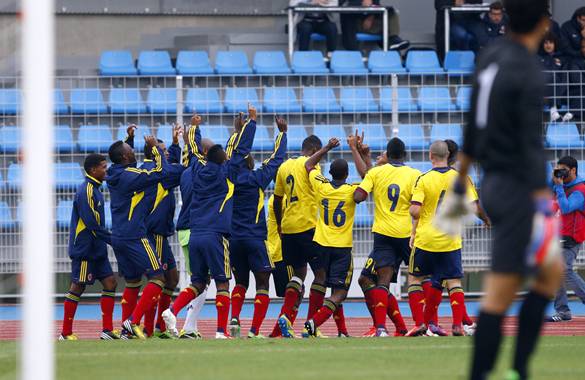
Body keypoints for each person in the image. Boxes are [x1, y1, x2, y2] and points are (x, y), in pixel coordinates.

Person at [442, 0, 564, 377]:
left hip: (491, 181)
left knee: (551, 272)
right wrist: (541, 196)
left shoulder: (490, 56)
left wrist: (461, 182)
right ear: (544, 24)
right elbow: (530, 142)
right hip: (519, 189)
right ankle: (499, 373)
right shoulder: (529, 70)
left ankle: (518, 368)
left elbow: (472, 127)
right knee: (499, 292)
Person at [162, 104, 257, 339]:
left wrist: (193, 128)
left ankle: (172, 310)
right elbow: (241, 150)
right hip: (216, 235)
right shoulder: (226, 173)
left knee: (198, 281)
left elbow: (194, 149)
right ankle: (221, 331)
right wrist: (250, 124)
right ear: (224, 159)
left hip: (196, 234)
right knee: (223, 283)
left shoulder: (196, 168)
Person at [107, 129, 175, 339]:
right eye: (130, 149)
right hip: (135, 235)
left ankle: (127, 333)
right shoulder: (130, 176)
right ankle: (133, 322)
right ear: (126, 156)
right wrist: (155, 149)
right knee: (158, 278)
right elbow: (162, 172)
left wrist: (129, 140)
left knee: (133, 281)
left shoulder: (115, 173)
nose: (133, 151)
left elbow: (127, 162)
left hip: (118, 235)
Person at [407, 141, 477, 337]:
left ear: (431, 156)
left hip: (426, 238)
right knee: (453, 282)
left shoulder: (423, 178)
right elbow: (473, 205)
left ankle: (421, 323)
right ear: (449, 156)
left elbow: (415, 211)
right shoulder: (461, 179)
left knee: (415, 279)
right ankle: (458, 325)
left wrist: (413, 226)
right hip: (450, 237)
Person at [352, 137, 418, 337]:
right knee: (419, 279)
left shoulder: (376, 173)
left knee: (381, 281)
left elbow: (358, 196)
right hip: (407, 234)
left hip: (383, 234)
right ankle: (423, 324)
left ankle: (381, 327)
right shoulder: (415, 174)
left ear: (387, 155)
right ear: (404, 154)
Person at [228, 116, 287, 339]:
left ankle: (234, 318)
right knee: (263, 282)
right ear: (251, 164)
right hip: (254, 238)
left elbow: (234, 152)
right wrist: (282, 133)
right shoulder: (257, 178)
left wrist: (238, 131)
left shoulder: (229, 177)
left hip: (234, 239)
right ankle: (253, 330)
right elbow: (276, 159)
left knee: (240, 281)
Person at [302, 137, 357, 338]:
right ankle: (314, 322)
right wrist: (357, 151)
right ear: (347, 174)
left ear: (330, 173)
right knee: (339, 291)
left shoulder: (321, 185)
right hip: (342, 248)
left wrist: (326, 147)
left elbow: (309, 164)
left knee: (321, 282)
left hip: (321, 243)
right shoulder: (351, 191)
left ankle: (342, 331)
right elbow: (367, 183)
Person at [59, 154, 117, 341]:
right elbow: (91, 224)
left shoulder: (96, 189)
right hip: (85, 248)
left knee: (110, 283)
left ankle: (107, 330)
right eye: (103, 166)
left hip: (97, 248)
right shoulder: (87, 191)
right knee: (78, 287)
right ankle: (65, 333)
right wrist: (114, 240)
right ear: (93, 170)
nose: (106, 169)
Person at [272, 134, 324, 338]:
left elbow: (277, 200)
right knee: (321, 275)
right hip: (308, 226)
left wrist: (279, 226)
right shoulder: (312, 166)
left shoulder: (284, 167)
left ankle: (285, 316)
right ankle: (311, 326)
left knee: (298, 275)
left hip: (288, 228)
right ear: (313, 151)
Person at [174, 128, 214, 340]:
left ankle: (190, 326)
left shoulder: (185, 172)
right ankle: (187, 325)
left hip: (184, 229)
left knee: (198, 278)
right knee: (201, 280)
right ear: (205, 153)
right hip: (199, 229)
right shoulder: (207, 172)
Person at [546, 156, 585, 322]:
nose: (560, 173)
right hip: (557, 234)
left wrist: (559, 187)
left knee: (565, 269)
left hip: (573, 237)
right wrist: (553, 182)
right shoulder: (558, 185)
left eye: (563, 169)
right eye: (558, 169)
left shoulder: (580, 189)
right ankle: (563, 311)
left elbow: (566, 208)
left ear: (573, 170)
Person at [340, 0, 409, 51]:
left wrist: (371, 17)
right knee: (385, 26)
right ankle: (391, 43)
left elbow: (376, 4)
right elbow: (342, 4)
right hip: (355, 23)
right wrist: (361, 3)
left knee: (392, 12)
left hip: (370, 19)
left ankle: (393, 39)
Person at [538, 32, 572, 123]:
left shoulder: (562, 58)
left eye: (550, 42)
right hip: (542, 90)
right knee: (550, 75)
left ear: (555, 44)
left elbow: (565, 76)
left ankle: (554, 110)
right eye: (545, 43)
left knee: (557, 77)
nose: (548, 45)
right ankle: (553, 109)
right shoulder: (538, 57)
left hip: (560, 90)